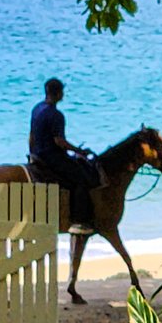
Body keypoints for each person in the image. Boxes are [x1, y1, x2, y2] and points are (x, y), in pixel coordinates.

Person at [29, 78, 96, 236]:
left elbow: (31, 136)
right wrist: (79, 151)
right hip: (51, 156)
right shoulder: (56, 115)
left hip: (38, 155)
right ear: (58, 93)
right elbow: (59, 141)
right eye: (62, 92)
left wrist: (32, 154)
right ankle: (78, 221)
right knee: (81, 178)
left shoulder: (36, 108)